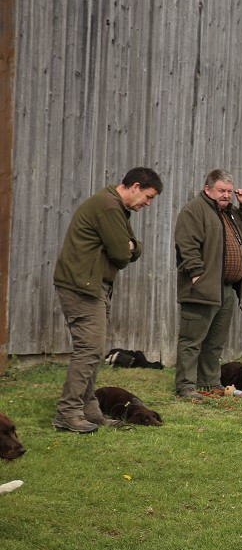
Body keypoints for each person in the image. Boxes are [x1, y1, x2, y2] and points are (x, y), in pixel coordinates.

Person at [52, 167, 163, 432]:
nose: (148, 203)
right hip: (82, 286)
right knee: (88, 350)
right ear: (135, 186)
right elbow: (122, 255)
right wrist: (130, 247)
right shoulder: (109, 207)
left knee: (94, 350)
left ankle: (90, 409)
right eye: (148, 196)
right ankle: (67, 413)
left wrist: (131, 244)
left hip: (93, 285)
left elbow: (132, 246)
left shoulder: (114, 205)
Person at [174, 169, 242, 399]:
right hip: (203, 287)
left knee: (215, 341)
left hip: (227, 289)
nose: (226, 195)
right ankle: (185, 386)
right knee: (191, 340)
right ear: (207, 189)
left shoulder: (230, 213)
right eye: (221, 190)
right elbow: (187, 245)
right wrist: (196, 275)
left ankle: (209, 381)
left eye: (230, 191)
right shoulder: (194, 211)